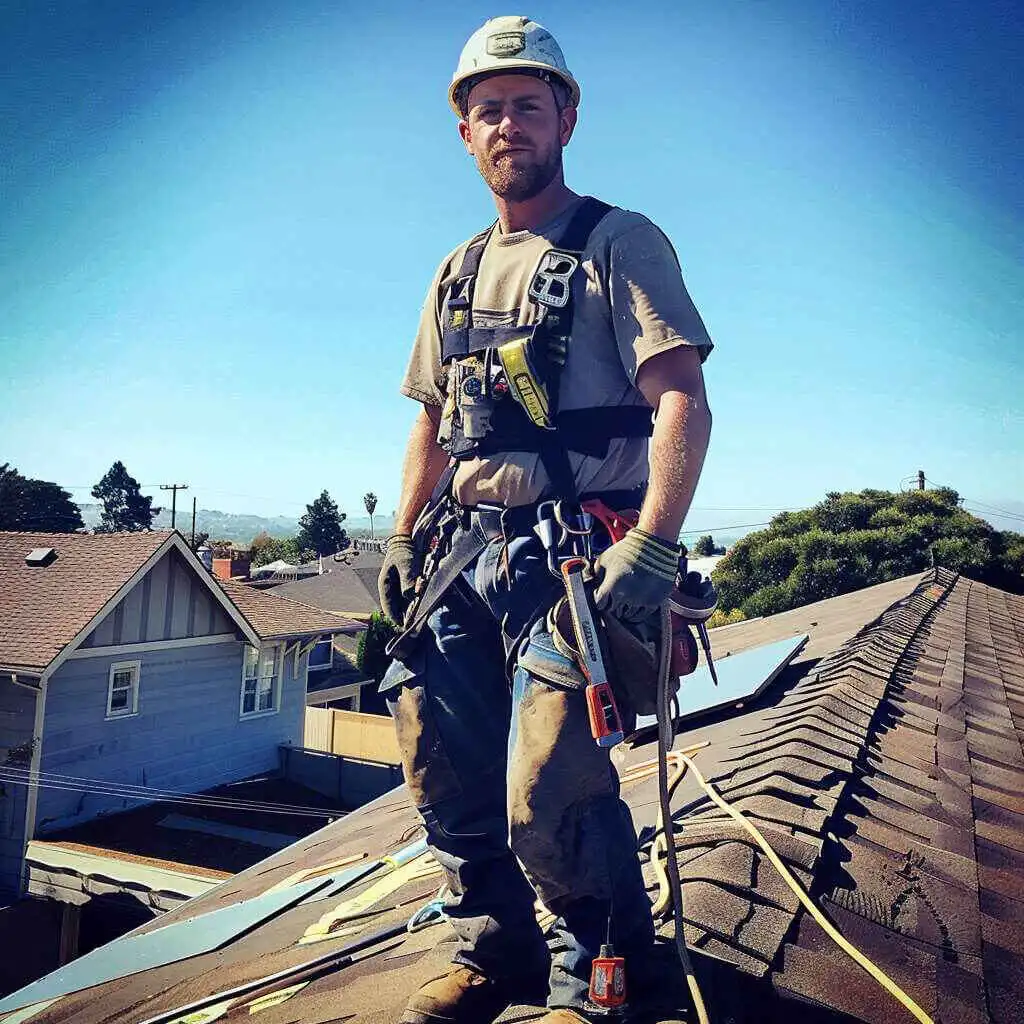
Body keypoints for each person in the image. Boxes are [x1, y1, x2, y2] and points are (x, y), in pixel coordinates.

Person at [378, 15, 714, 1024]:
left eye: (528, 103)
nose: (507, 122)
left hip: (573, 560)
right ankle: (492, 952)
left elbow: (681, 399)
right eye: (488, 109)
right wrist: (403, 532)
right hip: (460, 558)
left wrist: (654, 542)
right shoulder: (455, 269)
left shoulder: (618, 241)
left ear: (565, 115)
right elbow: (435, 421)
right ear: (464, 133)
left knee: (549, 785)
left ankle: (596, 979)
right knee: (440, 758)